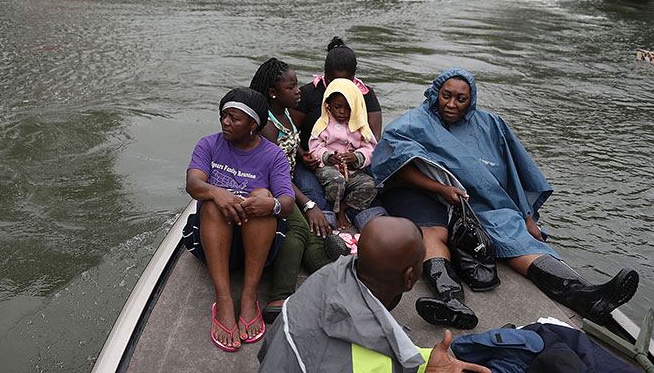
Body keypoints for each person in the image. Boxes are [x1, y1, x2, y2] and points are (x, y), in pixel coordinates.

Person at [371, 68, 638, 330]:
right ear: (434, 94)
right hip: (427, 195)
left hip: (478, 202)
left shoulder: (490, 125)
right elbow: (395, 164)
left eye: (460, 99)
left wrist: (527, 216)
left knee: (514, 235)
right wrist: (440, 189)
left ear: (471, 100)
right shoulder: (414, 123)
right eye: (445, 96)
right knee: (432, 233)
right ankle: (451, 299)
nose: (451, 104)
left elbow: (513, 172)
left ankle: (584, 295)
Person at [257, 216, 492, 373]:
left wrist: (422, 362)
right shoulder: (367, 364)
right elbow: (369, 359)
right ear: (409, 278)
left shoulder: (325, 277)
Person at [182, 87, 296, 352]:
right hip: (212, 243)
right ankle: (223, 300)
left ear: (253, 125)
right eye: (224, 115)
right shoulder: (209, 144)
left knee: (262, 197)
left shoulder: (273, 155)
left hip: (255, 246)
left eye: (234, 118)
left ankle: (248, 295)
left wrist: (272, 204)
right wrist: (215, 192)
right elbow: (193, 183)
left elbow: (288, 204)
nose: (225, 122)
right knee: (211, 205)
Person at [249, 58, 335, 324]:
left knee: (314, 232)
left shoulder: (285, 112)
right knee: (297, 226)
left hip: (287, 180)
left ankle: (331, 276)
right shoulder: (266, 126)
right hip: (269, 186)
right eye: (292, 87)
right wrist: (308, 204)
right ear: (273, 92)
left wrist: (301, 153)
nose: (299, 91)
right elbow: (275, 172)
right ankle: (280, 296)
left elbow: (291, 138)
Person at [291, 37, 383, 227]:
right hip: (315, 161)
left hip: (354, 164)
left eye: (346, 80)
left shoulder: (364, 96)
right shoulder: (309, 93)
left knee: (373, 187)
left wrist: (356, 157)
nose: (342, 111)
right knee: (314, 193)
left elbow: (372, 140)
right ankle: (327, 227)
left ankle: (357, 217)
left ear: (354, 76)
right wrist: (305, 156)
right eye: (333, 80)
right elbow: (291, 132)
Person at [309, 78, 378, 227]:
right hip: (329, 169)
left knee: (370, 184)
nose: (342, 112)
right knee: (337, 181)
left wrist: (357, 157)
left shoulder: (360, 125)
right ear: (328, 105)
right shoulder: (323, 124)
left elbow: (370, 148)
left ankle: (345, 206)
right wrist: (328, 157)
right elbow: (314, 148)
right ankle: (337, 211)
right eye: (338, 107)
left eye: (348, 108)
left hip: (352, 171)